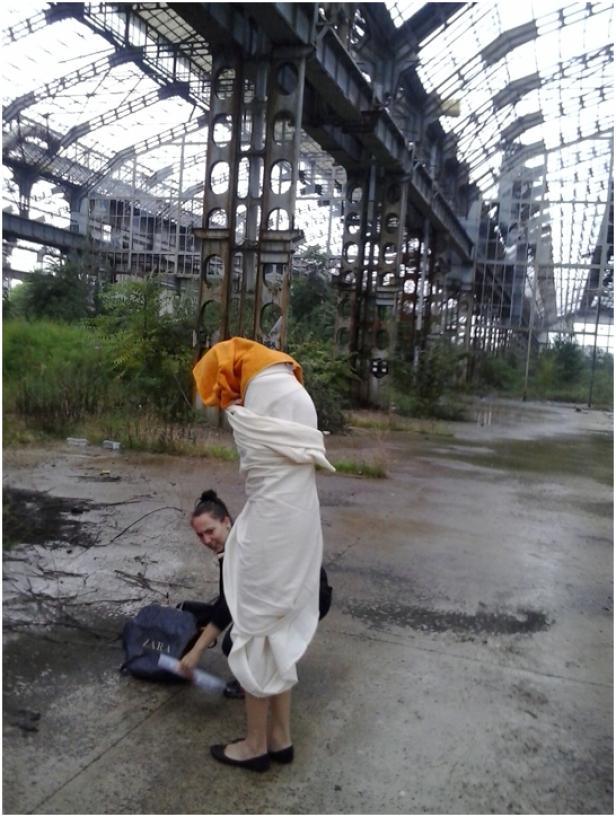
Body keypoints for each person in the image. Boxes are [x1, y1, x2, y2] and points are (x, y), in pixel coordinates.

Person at [187, 337, 334, 772]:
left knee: (253, 634)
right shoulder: (293, 392)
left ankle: (254, 745)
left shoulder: (261, 394)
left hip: (270, 529)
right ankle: (280, 738)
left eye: (225, 389)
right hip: (301, 524)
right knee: (278, 633)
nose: (227, 400)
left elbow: (260, 471)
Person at [177, 490, 244, 700]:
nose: (206, 540)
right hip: (271, 595)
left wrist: (196, 650)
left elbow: (228, 607)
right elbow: (229, 598)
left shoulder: (242, 548)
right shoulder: (230, 544)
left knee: (234, 644)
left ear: (225, 521)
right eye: (200, 535)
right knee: (200, 612)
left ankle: (254, 682)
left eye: (210, 531)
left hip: (308, 597)